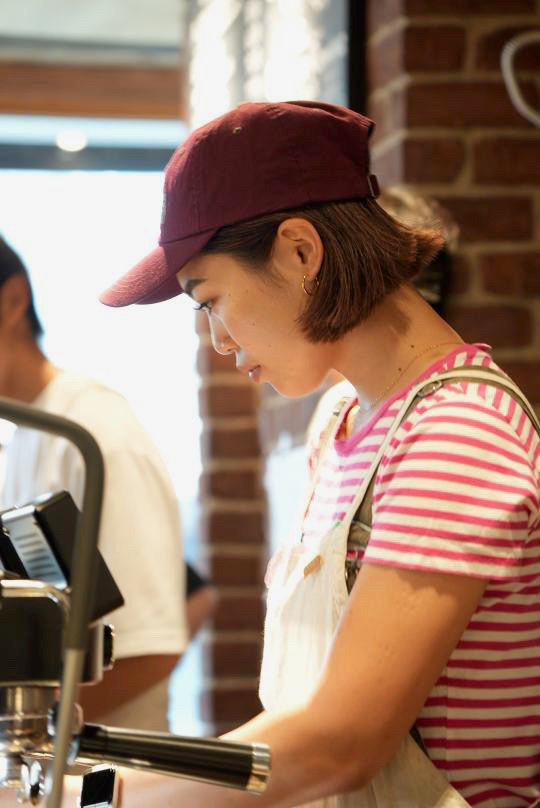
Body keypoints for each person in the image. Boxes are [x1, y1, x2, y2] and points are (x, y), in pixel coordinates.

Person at [67, 100, 540, 806]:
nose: (219, 342)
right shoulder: (343, 421)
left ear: (300, 251)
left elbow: (339, 743)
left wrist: (103, 801)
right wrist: (110, 774)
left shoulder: (457, 430)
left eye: (209, 299)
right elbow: (298, 716)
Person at [0, 236, 189, 732]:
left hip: (109, 784)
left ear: (13, 301)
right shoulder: (23, 438)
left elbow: (151, 649)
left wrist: (28, 725)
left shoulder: (95, 435)